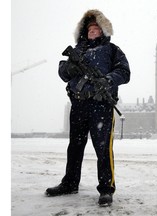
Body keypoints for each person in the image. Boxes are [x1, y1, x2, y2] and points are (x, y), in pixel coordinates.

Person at [45, 9, 130, 206]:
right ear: (85, 31)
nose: (93, 31)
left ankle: (106, 189)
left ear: (103, 31)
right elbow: (63, 72)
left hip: (101, 106)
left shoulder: (112, 50)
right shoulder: (78, 51)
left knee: (103, 149)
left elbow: (124, 72)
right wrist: (69, 68)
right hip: (79, 104)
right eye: (90, 29)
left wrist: (108, 79)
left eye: (97, 29)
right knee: (74, 147)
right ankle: (70, 183)